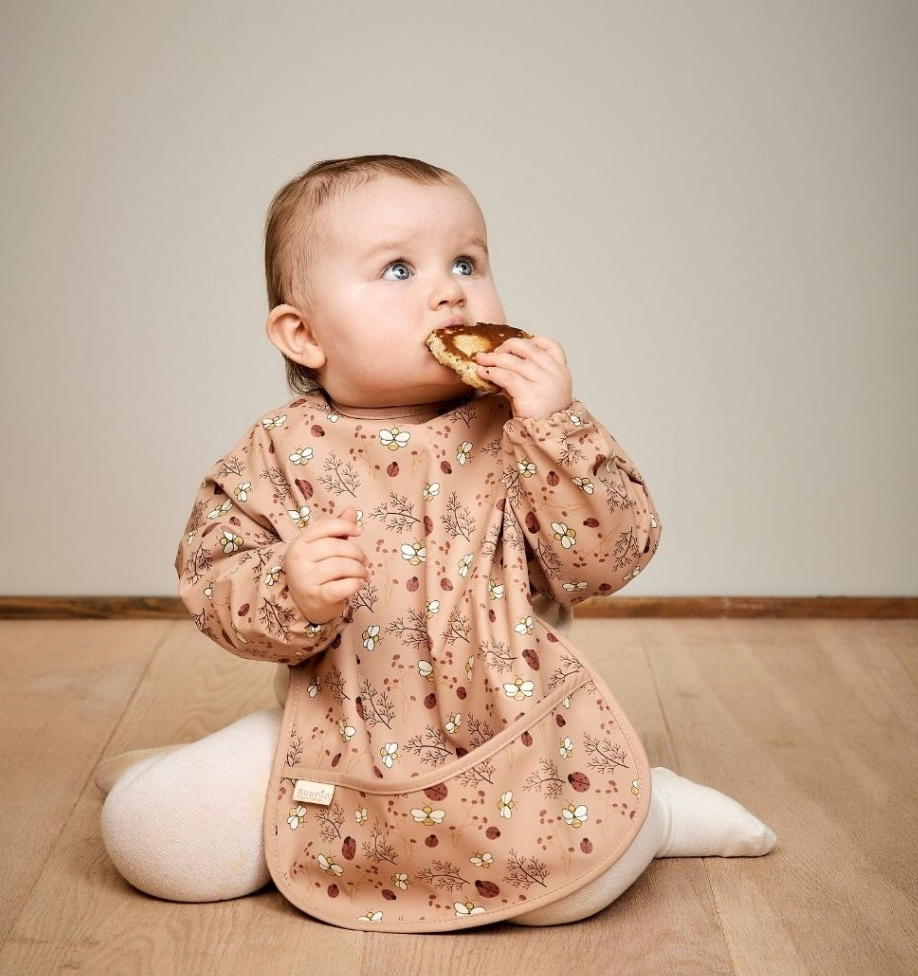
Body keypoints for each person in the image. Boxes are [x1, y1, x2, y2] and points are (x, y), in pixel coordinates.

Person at [98, 155, 774, 928]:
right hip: (332, 728)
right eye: (397, 268)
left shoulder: (524, 430)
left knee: (568, 893)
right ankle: (194, 779)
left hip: (512, 732)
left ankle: (654, 813)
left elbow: (608, 560)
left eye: (466, 261)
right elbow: (211, 574)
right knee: (153, 841)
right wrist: (289, 585)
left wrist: (557, 425)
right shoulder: (277, 452)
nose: (450, 289)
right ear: (304, 333)